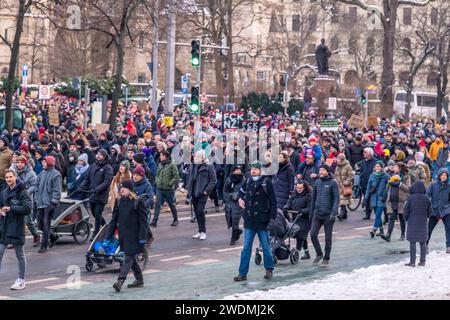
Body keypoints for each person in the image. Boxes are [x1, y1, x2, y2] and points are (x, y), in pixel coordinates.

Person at [234, 162, 277, 281]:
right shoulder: (248, 181)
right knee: (246, 248)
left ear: (260, 171)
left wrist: (272, 219)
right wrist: (239, 199)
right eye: (252, 169)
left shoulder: (266, 183)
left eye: (255, 169)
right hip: (249, 220)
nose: (253, 171)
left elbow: (273, 202)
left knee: (266, 247)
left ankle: (269, 269)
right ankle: (242, 273)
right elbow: (240, 192)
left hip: (263, 220)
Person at [106, 180, 148, 292]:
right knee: (131, 258)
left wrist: (143, 237)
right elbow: (113, 221)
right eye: (121, 188)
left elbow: (144, 222)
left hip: (135, 237)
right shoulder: (119, 202)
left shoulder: (138, 202)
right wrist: (108, 236)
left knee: (128, 258)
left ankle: (120, 281)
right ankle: (139, 280)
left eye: (124, 188)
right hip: (123, 237)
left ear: (130, 189)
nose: (121, 190)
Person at [0, 170, 32, 290]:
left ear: (15, 177)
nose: (8, 179)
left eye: (10, 177)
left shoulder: (22, 191)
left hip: (17, 227)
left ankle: (21, 280)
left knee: (20, 255)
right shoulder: (4, 192)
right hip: (4, 228)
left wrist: (11, 208)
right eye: (7, 177)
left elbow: (28, 208)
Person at [310, 164, 339, 267]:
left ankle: (326, 258)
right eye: (320, 170)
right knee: (313, 235)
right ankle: (319, 254)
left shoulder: (333, 183)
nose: (320, 172)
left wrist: (333, 213)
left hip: (328, 215)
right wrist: (311, 211)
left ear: (327, 171)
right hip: (317, 214)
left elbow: (336, 199)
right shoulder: (317, 182)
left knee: (327, 239)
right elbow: (313, 198)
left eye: (322, 170)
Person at [80, 149, 113, 240]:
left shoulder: (107, 168)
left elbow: (107, 181)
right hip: (92, 193)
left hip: (101, 194)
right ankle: (106, 226)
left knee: (98, 214)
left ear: (104, 156)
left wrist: (98, 189)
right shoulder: (92, 166)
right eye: (97, 154)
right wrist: (82, 186)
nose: (98, 156)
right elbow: (87, 178)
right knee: (94, 213)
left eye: (101, 154)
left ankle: (96, 233)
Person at [186, 150, 217, 240]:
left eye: (197, 156)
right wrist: (188, 188)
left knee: (200, 211)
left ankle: (203, 231)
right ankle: (199, 231)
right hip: (194, 191)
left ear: (203, 157)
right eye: (195, 156)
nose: (195, 158)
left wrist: (206, 191)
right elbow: (190, 178)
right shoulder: (193, 166)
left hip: (203, 192)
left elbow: (213, 180)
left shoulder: (209, 166)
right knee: (196, 212)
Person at [34, 156, 62, 253]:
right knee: (40, 224)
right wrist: (36, 198)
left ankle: (44, 245)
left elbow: (57, 190)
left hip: (49, 204)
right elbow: (36, 186)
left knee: (46, 224)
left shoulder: (56, 175)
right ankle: (53, 236)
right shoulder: (41, 174)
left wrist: (53, 202)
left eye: (44, 162)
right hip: (40, 203)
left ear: (49, 163)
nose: (42, 163)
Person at [404, 181, 431, 267]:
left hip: (412, 222)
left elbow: (406, 210)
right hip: (423, 222)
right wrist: (425, 217)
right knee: (423, 242)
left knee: (412, 242)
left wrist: (406, 218)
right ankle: (422, 261)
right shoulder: (426, 198)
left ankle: (412, 262)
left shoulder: (410, 198)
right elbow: (430, 211)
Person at [382, 163, 411, 242]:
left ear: (399, 168)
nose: (394, 168)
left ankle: (402, 234)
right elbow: (388, 187)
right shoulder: (392, 175)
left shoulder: (406, 177)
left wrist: (400, 184)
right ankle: (388, 235)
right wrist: (389, 183)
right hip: (392, 200)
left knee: (402, 218)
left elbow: (408, 189)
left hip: (401, 201)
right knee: (391, 218)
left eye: (395, 167)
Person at [15, 156, 40, 248]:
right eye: (18, 162)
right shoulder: (15, 172)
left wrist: (26, 192)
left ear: (25, 163)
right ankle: (16, 240)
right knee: (16, 220)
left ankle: (36, 235)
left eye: (21, 162)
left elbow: (35, 185)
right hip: (16, 199)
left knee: (28, 220)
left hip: (27, 199)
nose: (19, 164)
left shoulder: (31, 173)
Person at [283, 180, 312, 260]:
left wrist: (302, 211)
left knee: (300, 234)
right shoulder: (294, 194)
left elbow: (310, 208)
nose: (298, 189)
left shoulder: (309, 196)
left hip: (306, 219)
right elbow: (289, 202)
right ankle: (307, 253)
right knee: (302, 236)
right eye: (297, 188)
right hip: (296, 217)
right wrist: (286, 207)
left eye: (300, 188)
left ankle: (297, 252)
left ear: (304, 188)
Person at [151, 150, 179, 227]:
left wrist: (170, 184)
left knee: (171, 205)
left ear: (165, 156)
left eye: (161, 155)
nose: (160, 157)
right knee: (157, 204)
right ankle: (154, 221)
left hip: (168, 189)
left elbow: (176, 176)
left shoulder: (172, 165)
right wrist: (157, 181)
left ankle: (175, 219)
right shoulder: (160, 164)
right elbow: (157, 174)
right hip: (159, 188)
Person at [426, 168, 450, 254]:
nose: (443, 176)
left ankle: (448, 246)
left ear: (447, 176)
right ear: (439, 176)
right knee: (429, 229)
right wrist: (429, 206)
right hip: (434, 210)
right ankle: (425, 246)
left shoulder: (449, 186)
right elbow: (427, 196)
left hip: (446, 210)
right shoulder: (433, 185)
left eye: (445, 175)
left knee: (449, 228)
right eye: (442, 175)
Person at [365, 161, 389, 238]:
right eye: (376, 166)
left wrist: (385, 195)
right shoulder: (372, 176)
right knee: (377, 215)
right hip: (373, 198)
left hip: (381, 198)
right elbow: (368, 187)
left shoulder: (386, 176)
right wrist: (365, 198)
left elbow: (388, 187)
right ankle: (381, 231)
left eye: (379, 166)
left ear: (382, 167)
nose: (377, 168)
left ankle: (374, 230)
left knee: (378, 215)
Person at [223, 165, 245, 246]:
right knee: (230, 220)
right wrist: (228, 198)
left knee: (235, 220)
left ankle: (233, 239)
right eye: (236, 170)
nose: (238, 171)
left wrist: (237, 197)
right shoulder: (228, 180)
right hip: (229, 203)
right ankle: (238, 232)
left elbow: (244, 192)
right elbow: (224, 191)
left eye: (239, 170)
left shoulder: (243, 180)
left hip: (238, 203)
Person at [359, 148, 377, 220]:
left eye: (365, 152)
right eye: (364, 152)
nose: (364, 153)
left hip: (372, 183)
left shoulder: (375, 161)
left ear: (370, 153)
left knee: (371, 198)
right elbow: (361, 171)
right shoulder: (363, 162)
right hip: (364, 182)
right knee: (366, 198)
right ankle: (367, 213)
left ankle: (375, 213)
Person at [335, 153, 353, 221]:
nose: (337, 159)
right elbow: (335, 175)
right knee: (342, 200)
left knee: (343, 200)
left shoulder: (348, 166)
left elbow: (350, 176)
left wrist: (346, 182)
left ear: (342, 159)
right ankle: (345, 214)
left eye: (338, 158)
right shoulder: (337, 167)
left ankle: (341, 214)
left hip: (345, 186)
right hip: (339, 185)